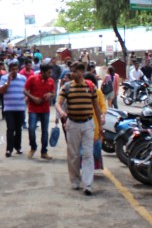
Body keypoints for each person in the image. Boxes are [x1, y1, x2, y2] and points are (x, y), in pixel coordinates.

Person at [55, 62, 101, 195]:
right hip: (73, 124)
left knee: (88, 154)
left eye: (74, 71)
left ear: (81, 72)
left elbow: (96, 107)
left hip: (88, 124)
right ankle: (75, 180)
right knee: (74, 155)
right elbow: (58, 103)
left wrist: (100, 126)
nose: (72, 73)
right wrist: (61, 112)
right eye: (71, 71)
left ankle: (88, 184)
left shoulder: (90, 87)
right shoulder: (67, 87)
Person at [24, 62, 57, 159]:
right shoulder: (32, 78)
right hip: (33, 108)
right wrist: (33, 98)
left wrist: (50, 95)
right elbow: (25, 90)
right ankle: (33, 147)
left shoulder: (51, 81)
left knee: (45, 131)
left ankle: (44, 151)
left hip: (45, 109)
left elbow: (53, 92)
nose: (50, 74)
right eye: (48, 72)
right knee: (31, 129)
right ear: (42, 72)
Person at [0, 61, 27, 157]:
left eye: (16, 69)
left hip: (20, 107)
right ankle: (9, 149)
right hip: (9, 108)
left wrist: (26, 98)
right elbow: (1, 91)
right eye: (12, 69)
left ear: (18, 69)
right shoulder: (4, 78)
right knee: (10, 128)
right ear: (9, 70)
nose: (14, 71)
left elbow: (27, 90)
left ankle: (18, 147)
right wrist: (8, 82)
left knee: (18, 129)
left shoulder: (23, 78)